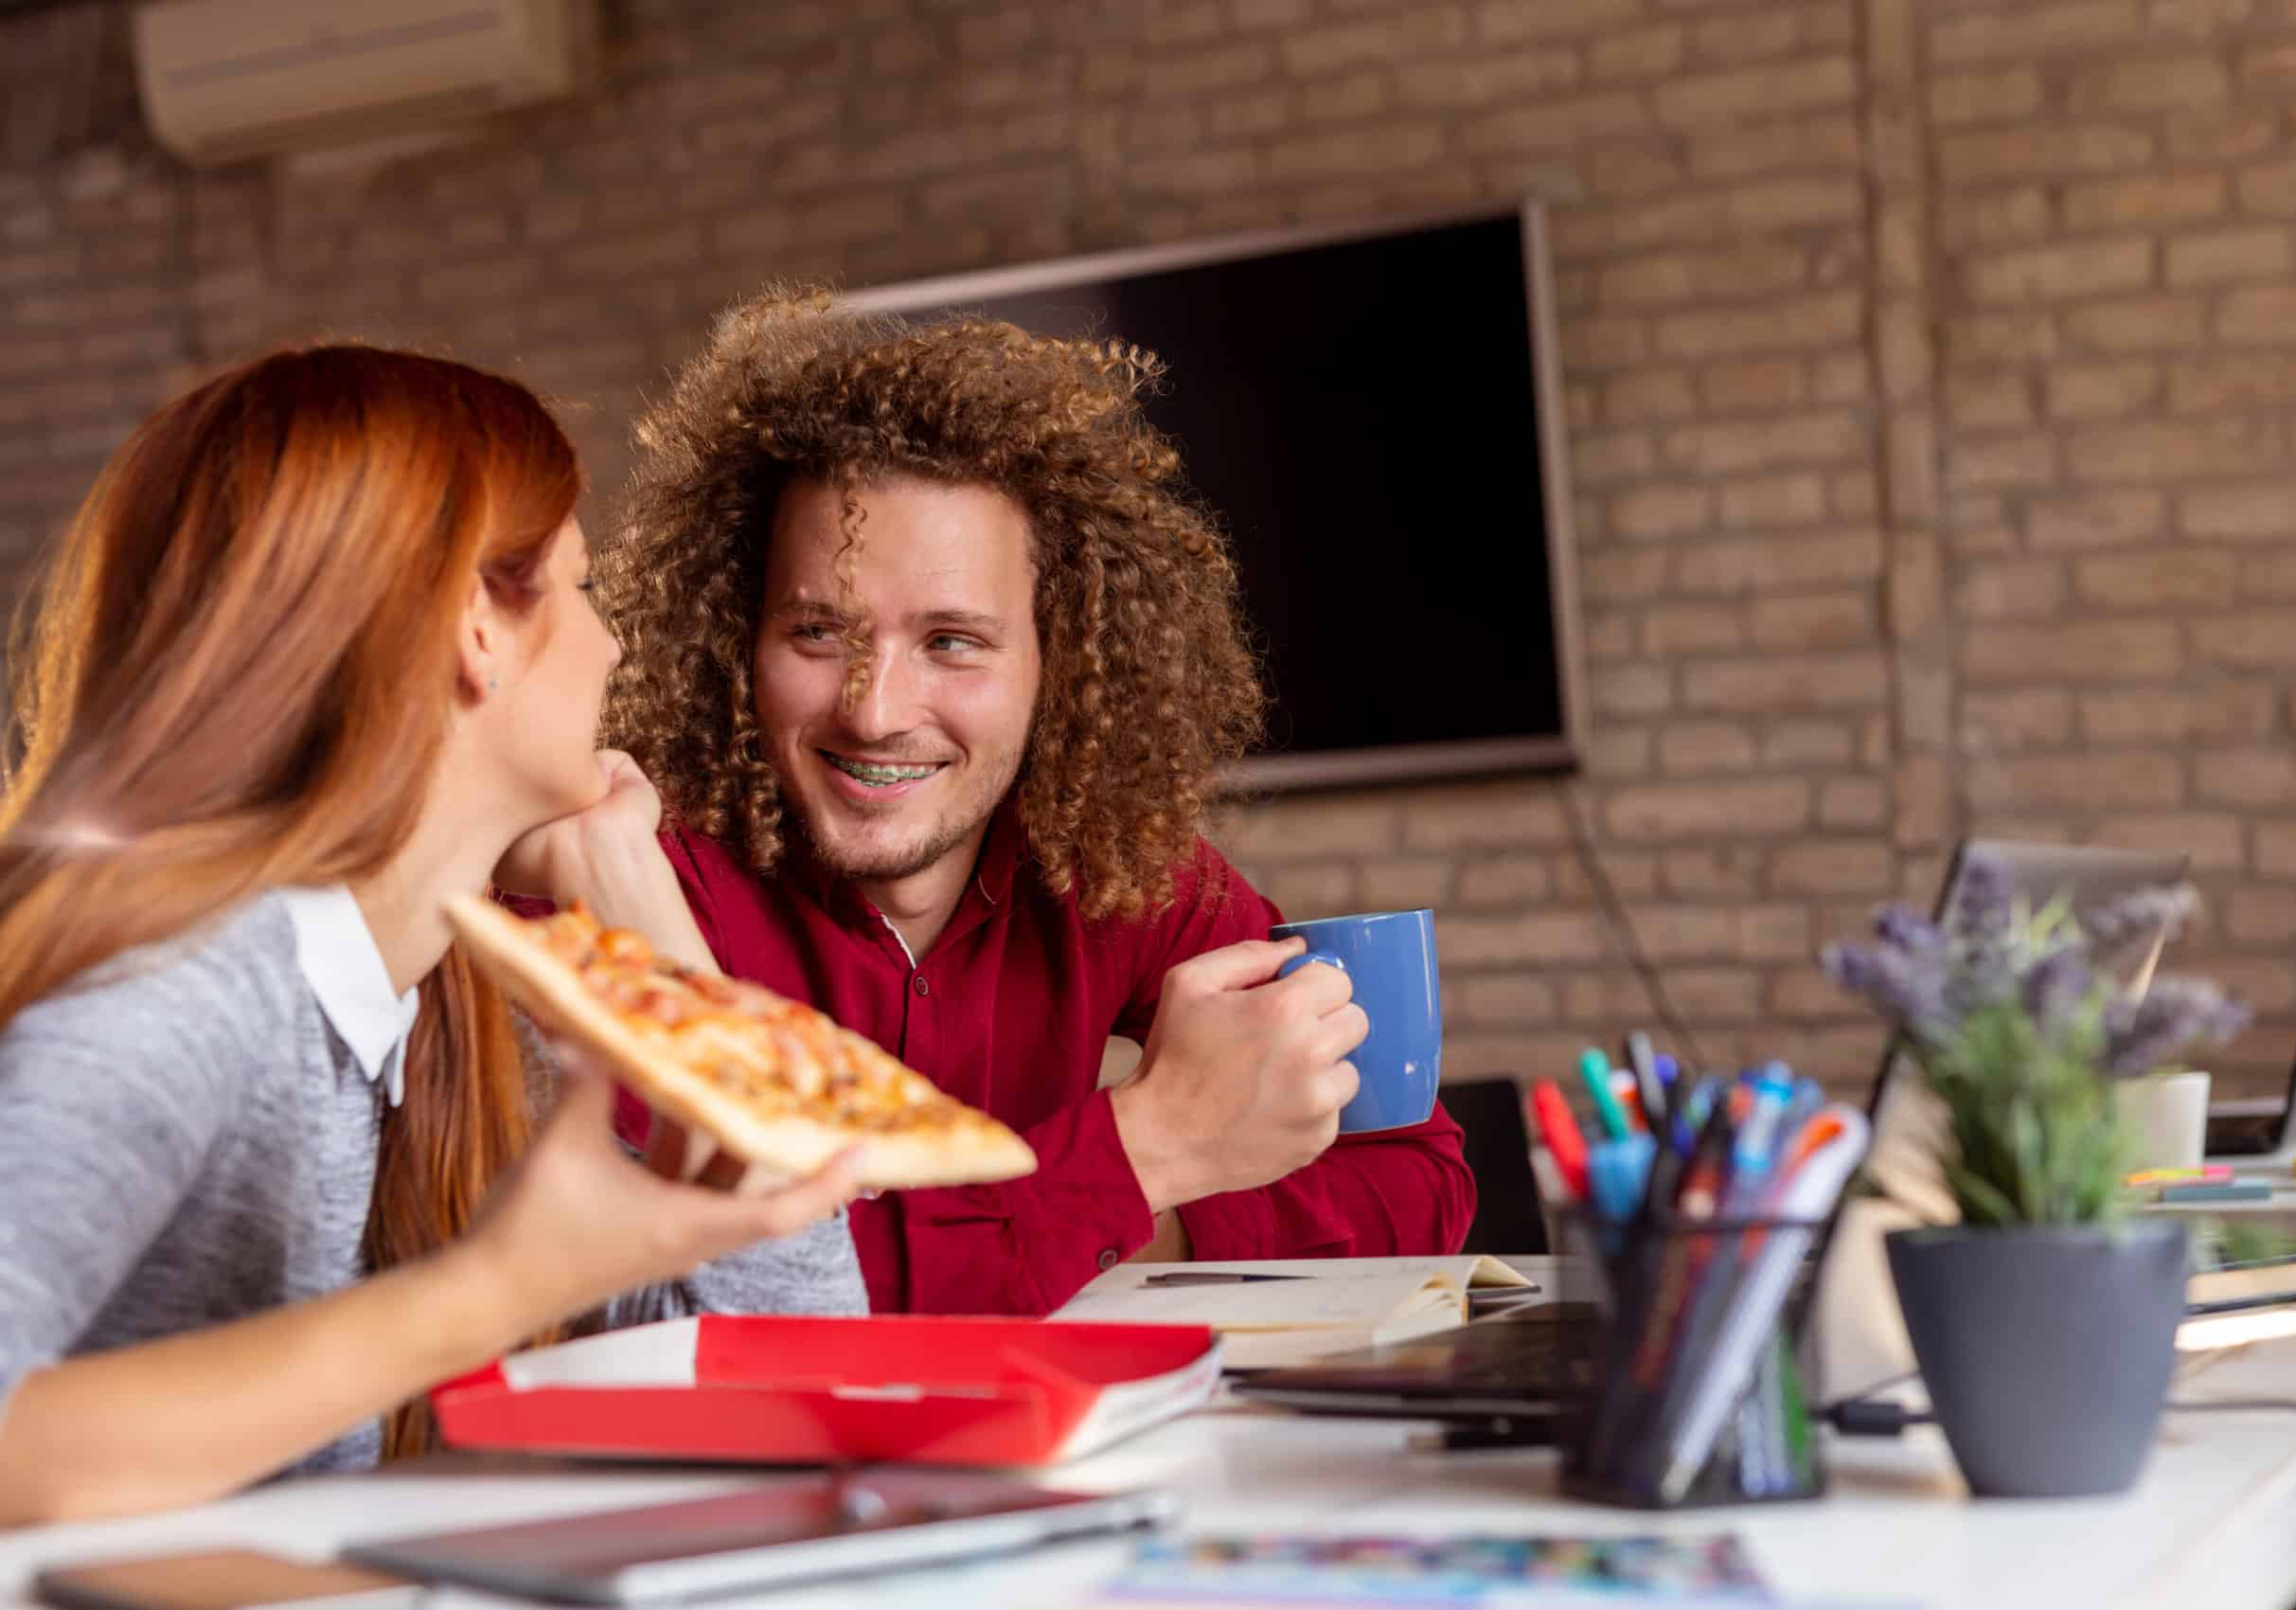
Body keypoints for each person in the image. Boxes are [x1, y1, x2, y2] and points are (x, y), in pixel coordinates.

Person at [0, 347, 865, 1526]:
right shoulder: (178, 994)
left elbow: (815, 1373)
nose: (612, 648)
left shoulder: (442, 1006)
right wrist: (493, 1288)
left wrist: (651, 921)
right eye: (581, 584)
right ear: (476, 624)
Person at [514, 287, 1474, 1316]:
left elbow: (1419, 1177)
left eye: (952, 642)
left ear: (1057, 661)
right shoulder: (613, 882)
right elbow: (671, 1295)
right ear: (736, 641)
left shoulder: (1117, 861)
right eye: (818, 633)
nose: (876, 711)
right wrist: (1142, 1151)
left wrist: (1125, 1200)